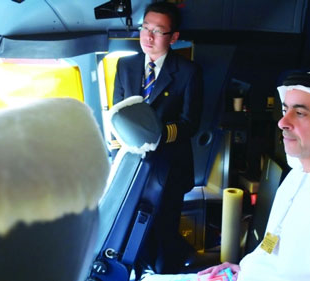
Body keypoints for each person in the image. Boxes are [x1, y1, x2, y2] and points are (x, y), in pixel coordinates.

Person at [141, 71, 310, 281]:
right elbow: (275, 242)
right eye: (285, 110)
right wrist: (245, 269)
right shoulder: (299, 178)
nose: (283, 122)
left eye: (300, 112)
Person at [111, 1, 203, 275]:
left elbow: (190, 124)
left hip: (169, 166)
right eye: (145, 28)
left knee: (164, 229)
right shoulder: (125, 66)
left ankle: (165, 274)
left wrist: (158, 136)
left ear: (173, 37)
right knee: (130, 229)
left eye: (158, 31)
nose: (148, 37)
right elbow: (118, 113)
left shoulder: (188, 72)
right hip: (132, 165)